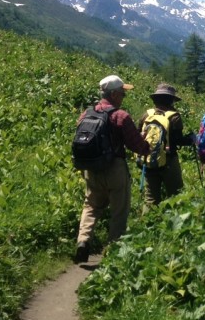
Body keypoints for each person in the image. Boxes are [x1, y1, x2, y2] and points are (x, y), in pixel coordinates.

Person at [75, 75, 150, 264]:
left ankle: (83, 241)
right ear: (114, 94)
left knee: (91, 206)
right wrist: (146, 142)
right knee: (119, 211)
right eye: (122, 93)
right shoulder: (121, 116)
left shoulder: (86, 114)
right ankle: (113, 251)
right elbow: (136, 145)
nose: (124, 96)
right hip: (115, 168)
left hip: (91, 168)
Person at [140, 83, 190, 212]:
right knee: (175, 194)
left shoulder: (146, 115)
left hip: (149, 159)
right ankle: (175, 219)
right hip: (169, 160)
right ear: (171, 100)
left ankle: (148, 224)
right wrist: (191, 139)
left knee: (150, 197)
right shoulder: (174, 116)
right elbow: (178, 140)